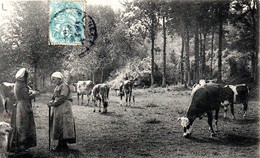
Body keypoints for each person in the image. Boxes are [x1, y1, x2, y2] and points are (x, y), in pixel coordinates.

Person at [8, 68, 37, 153]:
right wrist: (33, 95)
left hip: (20, 105)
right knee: (23, 125)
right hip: (23, 106)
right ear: (23, 77)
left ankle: (18, 145)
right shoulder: (21, 84)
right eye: (26, 76)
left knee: (19, 124)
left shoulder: (18, 83)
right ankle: (21, 146)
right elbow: (26, 97)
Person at [48, 72, 76, 152]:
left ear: (59, 78)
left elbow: (62, 97)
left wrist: (53, 103)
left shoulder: (64, 86)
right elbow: (54, 96)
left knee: (64, 125)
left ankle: (63, 145)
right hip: (59, 108)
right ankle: (61, 145)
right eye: (52, 79)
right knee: (58, 124)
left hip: (64, 107)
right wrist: (51, 101)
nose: (53, 80)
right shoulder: (57, 86)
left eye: (54, 79)